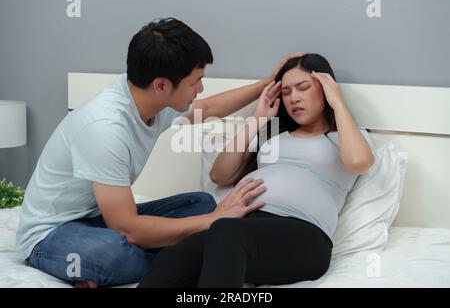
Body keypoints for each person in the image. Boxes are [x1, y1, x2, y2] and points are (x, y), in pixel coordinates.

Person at [15, 17, 300, 287]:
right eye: (195, 82)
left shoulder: (151, 98)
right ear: (161, 85)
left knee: (200, 203)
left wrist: (267, 83)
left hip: (97, 217)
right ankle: (180, 261)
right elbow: (126, 228)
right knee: (114, 250)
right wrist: (214, 222)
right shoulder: (104, 129)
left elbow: (208, 109)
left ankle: (163, 261)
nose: (200, 88)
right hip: (51, 234)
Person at [138, 53, 375, 288]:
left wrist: (338, 102)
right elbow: (218, 175)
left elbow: (359, 162)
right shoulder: (273, 136)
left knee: (226, 233)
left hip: (305, 236)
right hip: (243, 228)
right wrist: (257, 119)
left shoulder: (344, 137)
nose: (294, 98)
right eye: (286, 92)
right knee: (172, 258)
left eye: (303, 88)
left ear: (325, 88)